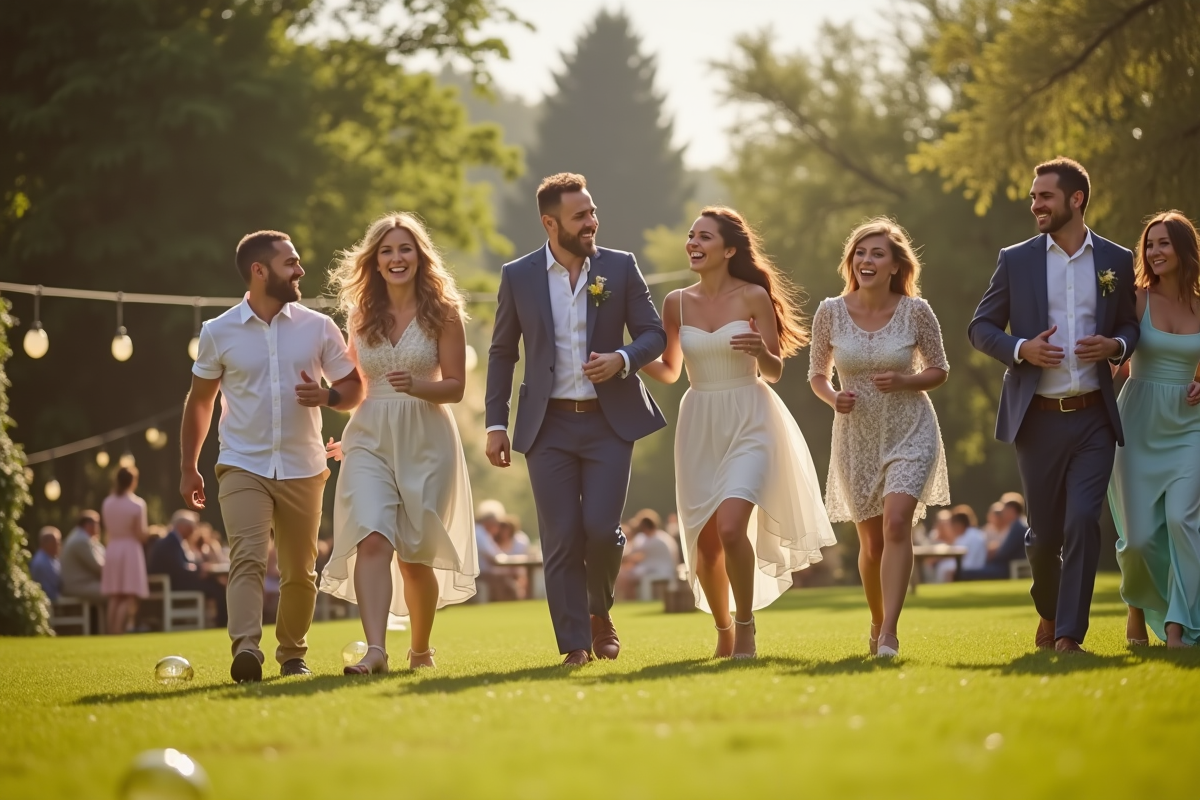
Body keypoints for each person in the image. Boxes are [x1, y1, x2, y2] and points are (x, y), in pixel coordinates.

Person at [485, 173, 667, 666]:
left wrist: (623, 359)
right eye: (580, 216)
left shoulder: (620, 267)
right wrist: (495, 424)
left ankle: (598, 611)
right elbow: (502, 353)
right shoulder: (518, 276)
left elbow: (654, 334)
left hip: (611, 423)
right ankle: (574, 646)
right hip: (549, 427)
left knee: (601, 530)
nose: (592, 222)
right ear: (550, 223)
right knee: (560, 536)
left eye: (592, 212)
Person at [643, 207, 835, 657]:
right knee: (706, 546)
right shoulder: (676, 302)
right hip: (699, 423)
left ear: (729, 249)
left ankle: (746, 624)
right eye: (691, 236)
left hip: (750, 416)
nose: (693, 243)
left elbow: (774, 370)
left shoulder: (753, 296)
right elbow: (672, 371)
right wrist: (625, 361)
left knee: (732, 529)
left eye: (704, 237)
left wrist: (759, 351)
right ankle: (724, 629)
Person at [969, 157, 1139, 653]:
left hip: (1093, 418)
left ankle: (1068, 635)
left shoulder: (1115, 259)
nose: (1035, 205)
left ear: (1076, 199)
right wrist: (1023, 349)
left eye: (1044, 196)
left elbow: (1130, 324)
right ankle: (1049, 610)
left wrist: (1116, 347)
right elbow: (980, 328)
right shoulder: (1015, 259)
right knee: (1043, 537)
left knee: (1084, 520)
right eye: (1033, 197)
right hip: (1036, 419)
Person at [180, 229, 364, 682]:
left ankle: (292, 655)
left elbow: (354, 387)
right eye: (291, 263)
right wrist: (189, 466)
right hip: (243, 463)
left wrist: (326, 397)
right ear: (259, 271)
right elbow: (200, 402)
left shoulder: (318, 327)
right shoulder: (217, 332)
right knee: (247, 558)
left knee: (301, 571)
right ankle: (246, 649)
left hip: (304, 465)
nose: (300, 270)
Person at [321, 212, 478, 674]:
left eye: (405, 249)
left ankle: (421, 649)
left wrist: (416, 386)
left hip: (427, 437)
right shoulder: (361, 315)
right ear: (374, 260)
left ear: (420, 256)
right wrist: (337, 417)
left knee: (415, 557)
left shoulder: (444, 313)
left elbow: (454, 387)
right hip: (369, 436)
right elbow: (356, 386)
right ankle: (375, 651)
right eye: (387, 250)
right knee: (371, 535)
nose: (396, 258)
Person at [809, 217, 951, 658]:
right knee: (870, 543)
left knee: (896, 525)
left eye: (877, 254)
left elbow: (939, 368)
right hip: (856, 435)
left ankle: (889, 631)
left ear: (895, 266)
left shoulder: (916, 311)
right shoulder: (830, 311)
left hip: (910, 428)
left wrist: (907, 382)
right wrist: (834, 398)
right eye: (860, 253)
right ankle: (876, 619)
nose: (866, 260)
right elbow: (817, 375)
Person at [1108, 210, 1200, 649]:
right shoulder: (1136, 298)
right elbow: (1113, 354)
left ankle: (1177, 628)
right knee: (1140, 538)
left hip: (1189, 427)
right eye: (1150, 244)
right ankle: (1136, 607)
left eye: (1164, 243)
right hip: (1138, 425)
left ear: (1184, 250)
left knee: (1183, 522)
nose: (1154, 252)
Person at [148, 510, 229, 627]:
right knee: (217, 587)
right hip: (174, 585)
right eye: (191, 527)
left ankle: (221, 622)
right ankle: (222, 624)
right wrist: (199, 571)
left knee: (215, 584)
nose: (194, 530)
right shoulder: (170, 542)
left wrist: (198, 568)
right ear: (182, 526)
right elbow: (179, 567)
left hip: (175, 582)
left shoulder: (174, 540)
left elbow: (184, 564)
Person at [101, 466, 149, 635]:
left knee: (114, 595)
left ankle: (110, 630)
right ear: (133, 481)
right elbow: (140, 533)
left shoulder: (107, 502)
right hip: (130, 549)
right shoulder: (137, 504)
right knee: (129, 595)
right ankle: (117, 631)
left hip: (113, 548)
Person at [616, 509, 680, 602]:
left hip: (657, 570)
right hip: (660, 569)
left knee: (623, 575)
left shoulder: (652, 540)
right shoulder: (663, 537)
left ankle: (629, 600)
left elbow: (631, 556)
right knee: (627, 573)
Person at [961, 497, 1029, 580]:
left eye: (1004, 510)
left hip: (1006, 567)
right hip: (1005, 565)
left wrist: (990, 555)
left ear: (1011, 510)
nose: (1002, 513)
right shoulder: (1019, 525)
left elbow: (1004, 553)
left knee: (966, 573)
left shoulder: (1018, 527)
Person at [61, 511, 105, 605]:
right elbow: (98, 568)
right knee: (115, 593)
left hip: (84, 583)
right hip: (78, 586)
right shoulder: (81, 540)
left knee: (117, 590)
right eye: (97, 524)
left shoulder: (82, 538)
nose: (99, 528)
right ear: (88, 525)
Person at [30, 526, 62, 603]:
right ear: (45, 543)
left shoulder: (51, 559)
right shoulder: (42, 562)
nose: (59, 545)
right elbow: (50, 593)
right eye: (56, 542)